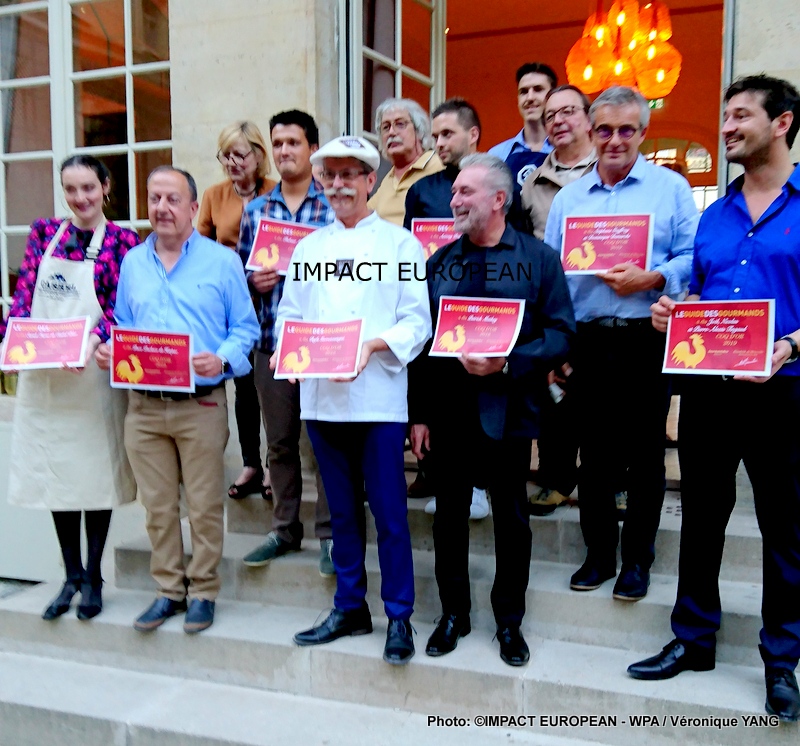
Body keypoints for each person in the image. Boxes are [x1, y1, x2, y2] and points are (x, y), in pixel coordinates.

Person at [628, 75, 800, 723]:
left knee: (785, 529)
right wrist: (675, 313)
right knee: (701, 519)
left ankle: (781, 660)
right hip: (708, 394)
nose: (726, 127)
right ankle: (694, 639)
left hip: (784, 393)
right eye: (725, 116)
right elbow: (702, 297)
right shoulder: (714, 215)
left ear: (781, 123)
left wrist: (791, 345)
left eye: (740, 116)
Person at [409, 153, 574, 666]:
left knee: (512, 520)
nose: (454, 200)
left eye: (465, 192)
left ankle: (509, 621)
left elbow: (562, 333)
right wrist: (419, 415)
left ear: (499, 199)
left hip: (511, 409)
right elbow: (422, 345)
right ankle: (453, 614)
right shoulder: (439, 264)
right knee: (448, 519)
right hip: (450, 413)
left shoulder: (539, 260)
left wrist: (508, 363)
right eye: (454, 191)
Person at [278, 136, 431, 665]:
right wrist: (290, 355)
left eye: (350, 175)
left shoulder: (401, 247)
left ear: (370, 181)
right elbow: (290, 315)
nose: (339, 185)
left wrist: (371, 346)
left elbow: (417, 321)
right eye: (331, 176)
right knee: (341, 513)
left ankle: (399, 615)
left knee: (389, 514)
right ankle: (349, 607)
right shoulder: (308, 250)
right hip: (322, 402)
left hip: (378, 400)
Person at [544, 86, 698, 602]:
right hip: (587, 339)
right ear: (591, 131)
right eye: (605, 130)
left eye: (626, 130)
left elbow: (692, 257)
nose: (615, 140)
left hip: (645, 337)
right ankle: (598, 555)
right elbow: (552, 276)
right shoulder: (568, 199)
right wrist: (557, 344)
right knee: (594, 454)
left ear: (643, 132)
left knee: (645, 455)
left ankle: (637, 560)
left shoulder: (670, 189)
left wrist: (652, 278)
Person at [96, 166, 259, 634]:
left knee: (204, 505)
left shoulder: (222, 262)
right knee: (158, 507)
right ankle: (168, 590)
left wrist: (222, 358)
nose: (162, 208)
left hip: (200, 405)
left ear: (193, 207)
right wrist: (112, 349)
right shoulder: (133, 262)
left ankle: (203, 591)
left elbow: (245, 329)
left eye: (172, 199)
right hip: (144, 408)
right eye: (154, 199)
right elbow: (123, 325)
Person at [2, 155, 138, 620]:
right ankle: (71, 576)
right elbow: (24, 299)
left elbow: (122, 308)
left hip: (91, 378)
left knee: (94, 478)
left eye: (88, 188)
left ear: (106, 187)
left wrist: (94, 343)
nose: (80, 198)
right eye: (71, 189)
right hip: (45, 379)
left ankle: (94, 577)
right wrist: (10, 342)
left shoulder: (123, 242)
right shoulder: (45, 234)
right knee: (56, 477)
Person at [237, 110, 336, 576]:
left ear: (312, 148)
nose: (284, 151)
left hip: (321, 345)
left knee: (323, 442)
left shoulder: (332, 207)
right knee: (278, 443)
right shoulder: (256, 210)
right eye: (277, 143)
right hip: (271, 342)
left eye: (293, 142)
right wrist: (252, 281)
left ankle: (331, 535)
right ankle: (284, 529)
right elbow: (241, 276)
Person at [402, 97, 489, 520]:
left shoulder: (499, 183)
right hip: (438, 309)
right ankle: (444, 480)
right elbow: (410, 254)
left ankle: (481, 485)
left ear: (473, 134)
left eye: (448, 134)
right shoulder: (422, 191)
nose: (439, 143)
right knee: (443, 401)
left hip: (487, 311)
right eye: (435, 135)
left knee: (483, 401)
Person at [521, 84, 597, 517]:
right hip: (551, 306)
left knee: (604, 401)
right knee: (554, 397)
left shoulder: (609, 170)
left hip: (602, 303)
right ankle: (554, 479)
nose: (558, 121)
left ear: (588, 118)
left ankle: (608, 482)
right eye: (550, 115)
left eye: (568, 111)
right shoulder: (532, 182)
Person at [197, 121, 277, 500]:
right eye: (225, 155)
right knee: (243, 384)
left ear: (258, 156)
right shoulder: (214, 195)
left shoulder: (276, 192)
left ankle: (275, 467)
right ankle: (251, 463)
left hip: (272, 300)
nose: (232, 162)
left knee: (272, 386)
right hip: (231, 302)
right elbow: (199, 247)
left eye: (239, 154)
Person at [488, 62, 557, 223]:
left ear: (552, 97)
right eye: (523, 92)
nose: (530, 98)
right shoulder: (497, 154)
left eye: (538, 89)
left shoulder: (564, 150)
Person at [368, 97, 443, 226]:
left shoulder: (439, 165)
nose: (391, 132)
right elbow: (365, 215)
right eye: (385, 127)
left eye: (400, 124)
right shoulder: (388, 178)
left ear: (419, 130)